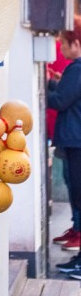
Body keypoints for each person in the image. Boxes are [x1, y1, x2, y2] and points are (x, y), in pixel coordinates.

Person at [48, 18, 81, 278]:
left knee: (79, 196)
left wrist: (41, 89)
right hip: (76, 141)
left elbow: (60, 101)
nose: (60, 47)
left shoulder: (77, 69)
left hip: (76, 142)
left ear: (76, 43)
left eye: (63, 43)